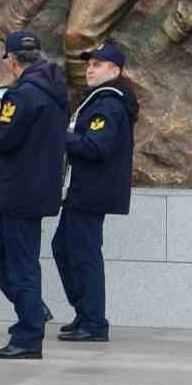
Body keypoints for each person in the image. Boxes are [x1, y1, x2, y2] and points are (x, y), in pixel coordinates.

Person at [0, 30, 69, 359]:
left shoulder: (22, 95)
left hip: (20, 191)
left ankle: (28, 336)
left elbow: (3, 137)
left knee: (22, 264)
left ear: (11, 60)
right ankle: (33, 310)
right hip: (34, 189)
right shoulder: (53, 90)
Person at [54, 42, 137, 343]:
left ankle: (94, 322)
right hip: (80, 191)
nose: (89, 68)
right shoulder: (95, 100)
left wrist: (58, 136)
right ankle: (85, 313)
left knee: (83, 254)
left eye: (98, 64)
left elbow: (96, 147)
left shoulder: (108, 104)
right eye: (89, 63)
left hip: (90, 192)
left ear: (115, 71)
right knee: (64, 248)